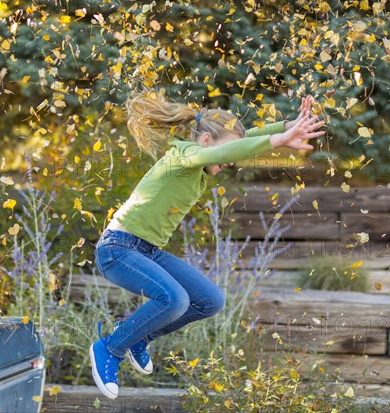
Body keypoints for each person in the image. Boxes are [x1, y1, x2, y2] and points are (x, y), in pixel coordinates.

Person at [89, 91, 325, 399]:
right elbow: (223, 150)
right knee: (174, 300)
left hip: (146, 249)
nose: (231, 160)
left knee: (210, 300)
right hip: (117, 249)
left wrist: (284, 126)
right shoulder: (184, 155)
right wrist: (278, 142)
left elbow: (239, 140)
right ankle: (109, 347)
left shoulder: (204, 154)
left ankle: (136, 337)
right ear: (205, 142)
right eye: (227, 152)